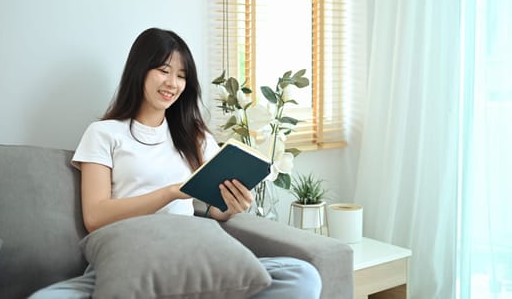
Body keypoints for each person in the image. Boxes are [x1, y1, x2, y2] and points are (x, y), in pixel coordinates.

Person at [29, 28, 322, 298]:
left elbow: (213, 210)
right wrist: (171, 192)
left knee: (302, 275)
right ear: (139, 71)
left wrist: (230, 207)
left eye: (181, 75)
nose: (172, 83)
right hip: (125, 257)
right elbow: (95, 217)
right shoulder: (104, 134)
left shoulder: (195, 137)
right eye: (163, 70)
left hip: (189, 252)